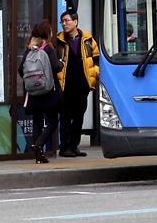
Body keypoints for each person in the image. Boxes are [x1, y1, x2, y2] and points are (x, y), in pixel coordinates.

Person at [55, 10, 100, 158]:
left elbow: (96, 59)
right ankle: (64, 148)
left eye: (67, 20)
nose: (64, 24)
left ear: (75, 22)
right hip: (65, 86)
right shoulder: (58, 41)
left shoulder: (87, 39)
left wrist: (93, 77)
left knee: (79, 117)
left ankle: (74, 146)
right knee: (66, 117)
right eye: (62, 21)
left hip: (82, 86)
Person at [17, 19, 63, 163]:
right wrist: (61, 62)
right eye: (50, 30)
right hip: (48, 92)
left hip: (33, 93)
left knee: (37, 121)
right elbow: (56, 67)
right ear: (47, 32)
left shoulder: (29, 49)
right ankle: (38, 145)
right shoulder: (48, 48)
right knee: (53, 122)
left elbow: (20, 70)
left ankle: (38, 156)